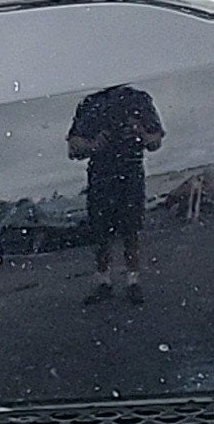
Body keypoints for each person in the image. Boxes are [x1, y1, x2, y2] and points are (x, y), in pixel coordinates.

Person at [67, 81, 164, 306]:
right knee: (101, 233)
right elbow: (73, 147)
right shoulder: (91, 103)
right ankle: (104, 281)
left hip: (130, 171)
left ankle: (132, 281)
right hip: (102, 173)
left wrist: (139, 132)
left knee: (131, 230)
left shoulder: (138, 99)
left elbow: (155, 140)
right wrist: (93, 144)